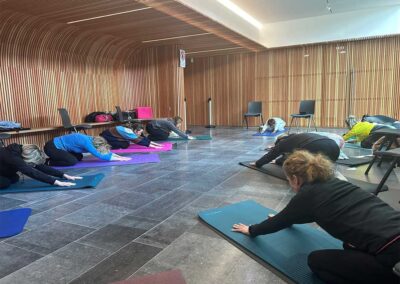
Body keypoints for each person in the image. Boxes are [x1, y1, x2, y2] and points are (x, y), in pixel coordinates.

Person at [233, 150, 400, 284]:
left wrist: (251, 230)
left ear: (295, 179)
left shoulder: (307, 195)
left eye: (289, 180)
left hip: (392, 259)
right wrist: (289, 217)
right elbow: (307, 213)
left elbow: (279, 221)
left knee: (316, 261)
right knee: (349, 245)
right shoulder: (338, 184)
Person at [0, 144, 81, 189]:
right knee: (5, 183)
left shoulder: (21, 150)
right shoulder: (14, 159)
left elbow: (39, 166)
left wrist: (62, 175)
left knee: (14, 178)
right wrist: (56, 182)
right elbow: (32, 172)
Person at [254, 132, 340, 168]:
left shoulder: (283, 142)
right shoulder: (299, 136)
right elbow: (288, 155)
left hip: (316, 147)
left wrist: (258, 163)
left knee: (301, 161)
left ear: (279, 141)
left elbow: (271, 154)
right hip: (335, 149)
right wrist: (277, 162)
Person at [44, 133, 130, 167]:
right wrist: (119, 159)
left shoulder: (92, 140)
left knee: (79, 157)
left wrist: (117, 155)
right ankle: (48, 162)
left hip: (61, 148)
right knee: (72, 161)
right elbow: (99, 154)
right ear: (95, 145)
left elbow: (103, 151)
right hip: (51, 147)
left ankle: (55, 158)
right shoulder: (86, 142)